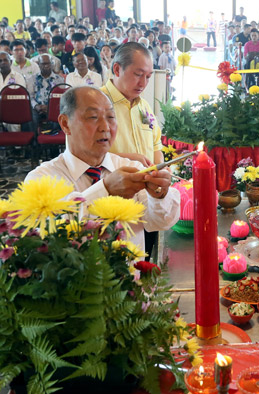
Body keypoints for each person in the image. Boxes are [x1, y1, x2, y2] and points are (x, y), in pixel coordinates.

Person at [26, 86, 179, 252]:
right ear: (65, 124)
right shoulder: (41, 179)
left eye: (111, 117)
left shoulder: (131, 168)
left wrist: (159, 195)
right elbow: (45, 241)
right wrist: (104, 190)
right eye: (93, 117)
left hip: (131, 275)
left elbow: (160, 222)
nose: (105, 127)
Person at [100, 42, 164, 257]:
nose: (143, 83)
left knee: (149, 259)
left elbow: (156, 145)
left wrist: (161, 171)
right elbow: (82, 155)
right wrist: (130, 159)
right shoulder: (96, 103)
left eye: (148, 76)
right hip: (114, 202)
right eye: (138, 74)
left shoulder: (143, 106)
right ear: (117, 69)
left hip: (147, 201)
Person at [27, 54, 64, 128]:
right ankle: (34, 139)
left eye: (48, 63)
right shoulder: (32, 79)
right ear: (39, 65)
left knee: (57, 115)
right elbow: (30, 96)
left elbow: (60, 97)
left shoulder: (59, 79)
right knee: (31, 117)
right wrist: (36, 106)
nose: (46, 66)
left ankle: (53, 137)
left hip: (53, 107)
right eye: (43, 64)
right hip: (37, 107)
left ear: (52, 64)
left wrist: (50, 107)